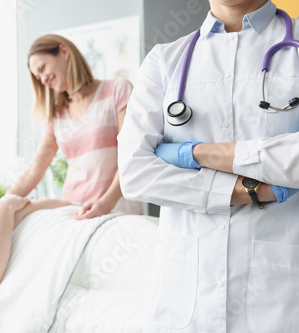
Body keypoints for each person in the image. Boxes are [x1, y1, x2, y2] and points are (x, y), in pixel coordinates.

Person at [117, 0, 299, 332]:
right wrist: (255, 189)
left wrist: (196, 153)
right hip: (183, 298)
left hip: (282, 297)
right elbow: (135, 173)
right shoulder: (164, 60)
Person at [9, 34, 142, 219]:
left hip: (116, 210)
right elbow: (35, 169)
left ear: (64, 52)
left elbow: (132, 154)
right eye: (38, 77)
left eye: (42, 68)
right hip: (74, 211)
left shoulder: (117, 90)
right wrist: (3, 205)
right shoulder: (57, 116)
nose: (43, 80)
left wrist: (105, 204)